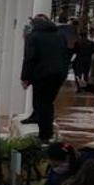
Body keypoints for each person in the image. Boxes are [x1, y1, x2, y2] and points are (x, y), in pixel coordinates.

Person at [21, 14, 70, 142]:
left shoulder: (33, 37)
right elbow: (66, 55)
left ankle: (45, 134)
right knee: (48, 102)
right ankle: (46, 131)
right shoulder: (60, 36)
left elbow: (29, 58)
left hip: (41, 75)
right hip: (58, 74)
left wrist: (25, 78)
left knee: (41, 103)